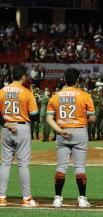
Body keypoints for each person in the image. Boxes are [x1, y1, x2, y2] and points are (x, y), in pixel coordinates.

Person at [46, 68, 96, 208]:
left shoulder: (55, 96)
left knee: (61, 166)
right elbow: (92, 118)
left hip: (62, 131)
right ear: (78, 80)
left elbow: (49, 118)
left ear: (64, 79)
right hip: (79, 131)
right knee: (79, 166)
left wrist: (60, 130)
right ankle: (82, 199)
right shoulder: (85, 95)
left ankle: (57, 199)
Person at [0, 65, 39, 207]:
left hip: (6, 128)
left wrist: (5, 123)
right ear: (23, 76)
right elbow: (35, 116)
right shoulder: (27, 92)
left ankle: (1, 197)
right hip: (22, 128)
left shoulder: (2, 91)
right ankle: (27, 199)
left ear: (11, 76)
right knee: (23, 164)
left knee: (5, 163)